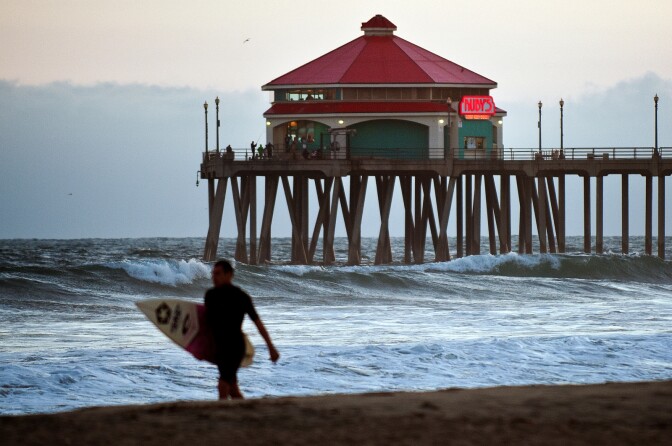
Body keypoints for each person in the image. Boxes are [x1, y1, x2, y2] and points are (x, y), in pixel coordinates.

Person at [204, 260, 279, 400]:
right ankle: (247, 413)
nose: (214, 277)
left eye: (218, 274)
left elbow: (257, 323)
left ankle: (222, 417)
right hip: (219, 347)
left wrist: (271, 347)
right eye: (213, 274)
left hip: (235, 346)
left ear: (229, 275)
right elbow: (207, 323)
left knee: (222, 385)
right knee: (233, 389)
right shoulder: (210, 296)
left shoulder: (240, 297)